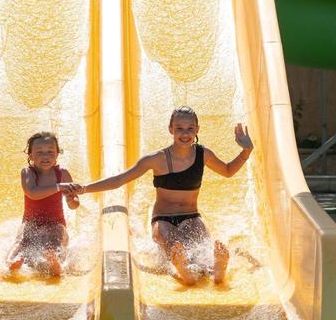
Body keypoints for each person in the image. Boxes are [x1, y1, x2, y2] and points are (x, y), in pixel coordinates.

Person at [64, 106, 252, 285]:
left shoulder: (203, 154)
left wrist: (246, 151)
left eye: (190, 128)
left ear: (197, 130)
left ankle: (216, 270)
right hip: (163, 219)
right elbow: (120, 179)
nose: (185, 134)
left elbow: (227, 171)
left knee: (202, 245)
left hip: (192, 216)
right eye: (179, 128)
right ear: (171, 129)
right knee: (170, 242)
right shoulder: (157, 159)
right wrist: (84, 188)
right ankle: (184, 270)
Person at [7, 131, 79, 277]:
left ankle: (55, 262)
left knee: (57, 238)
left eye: (50, 152)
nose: (45, 156)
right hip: (31, 221)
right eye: (39, 152)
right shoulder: (28, 173)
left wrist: (72, 199)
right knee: (22, 239)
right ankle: (11, 261)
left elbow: (74, 205)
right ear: (30, 155)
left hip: (56, 222)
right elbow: (32, 192)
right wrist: (59, 187)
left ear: (57, 154)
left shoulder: (62, 174)